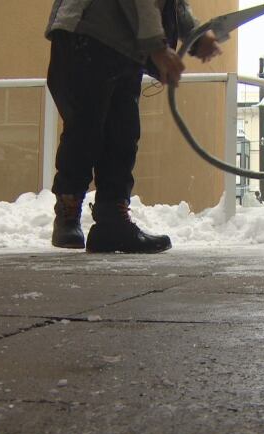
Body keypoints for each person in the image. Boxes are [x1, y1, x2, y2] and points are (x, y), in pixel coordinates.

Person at [46, 0, 222, 253]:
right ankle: (68, 210)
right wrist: (156, 46)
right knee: (85, 128)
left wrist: (195, 33)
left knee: (123, 135)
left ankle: (112, 222)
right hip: (87, 32)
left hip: (126, 47)